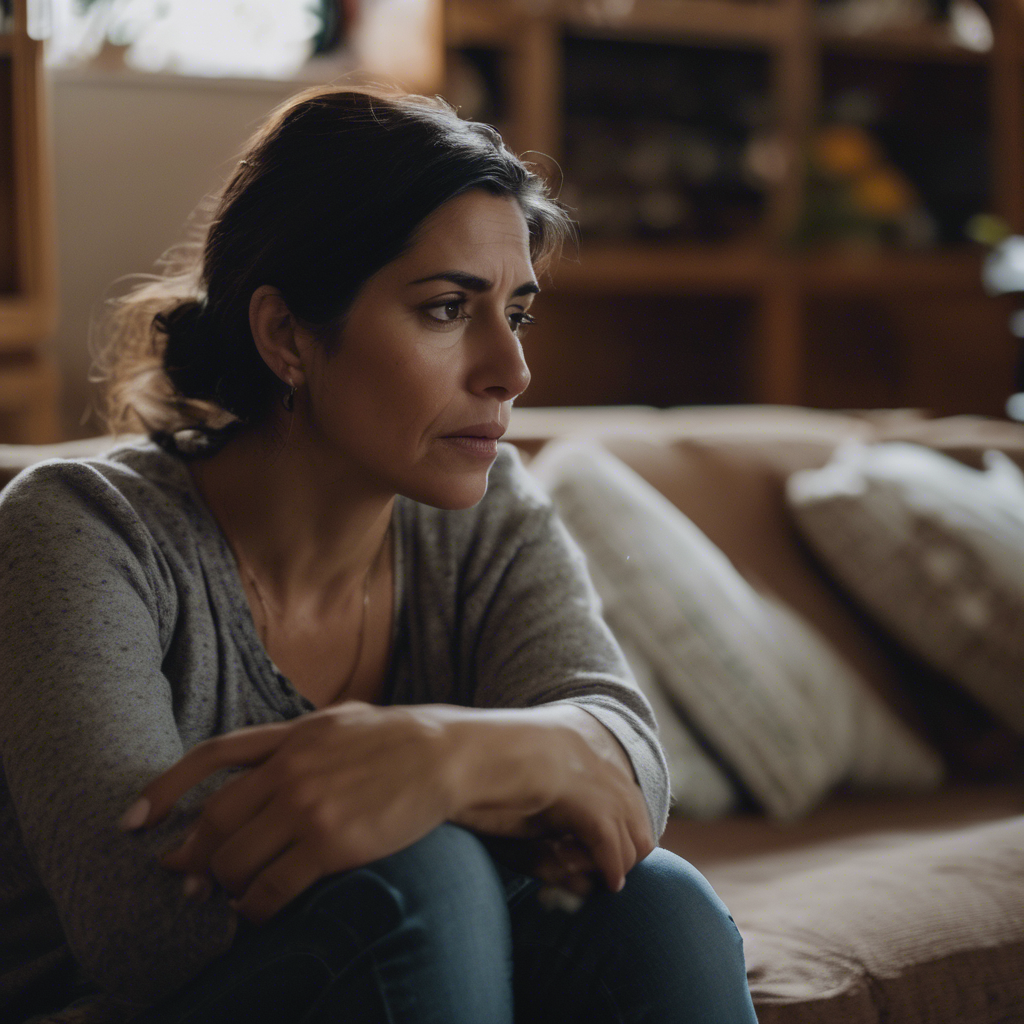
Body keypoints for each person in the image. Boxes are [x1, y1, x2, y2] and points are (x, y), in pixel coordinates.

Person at [0, 86, 758, 1024]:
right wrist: (515, 780)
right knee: (420, 879)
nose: (512, 372)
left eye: (515, 314)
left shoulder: (484, 517)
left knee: (657, 905)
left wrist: (439, 758)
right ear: (287, 335)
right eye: (446, 308)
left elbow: (624, 778)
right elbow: (139, 927)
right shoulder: (80, 530)